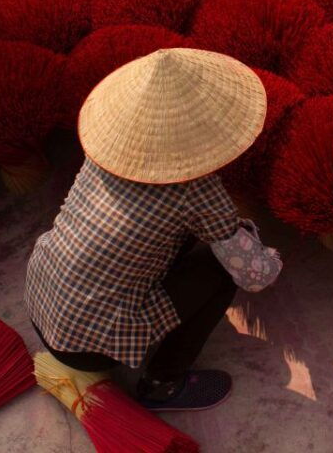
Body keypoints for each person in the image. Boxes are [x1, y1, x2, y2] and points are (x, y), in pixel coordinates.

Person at [25, 48, 280, 412]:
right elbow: (255, 276)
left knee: (185, 240)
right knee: (220, 271)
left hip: (42, 302)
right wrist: (250, 237)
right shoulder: (198, 191)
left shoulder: (107, 152)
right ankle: (162, 384)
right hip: (89, 348)